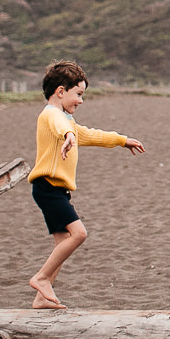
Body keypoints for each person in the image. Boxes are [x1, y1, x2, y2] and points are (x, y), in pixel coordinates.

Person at [26, 59, 144, 310]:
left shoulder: (66, 120)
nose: (81, 100)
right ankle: (41, 278)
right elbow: (60, 128)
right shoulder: (52, 115)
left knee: (61, 243)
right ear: (60, 91)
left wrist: (122, 140)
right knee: (79, 234)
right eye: (78, 94)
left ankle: (41, 299)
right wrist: (67, 134)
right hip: (48, 187)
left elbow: (90, 134)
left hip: (56, 189)